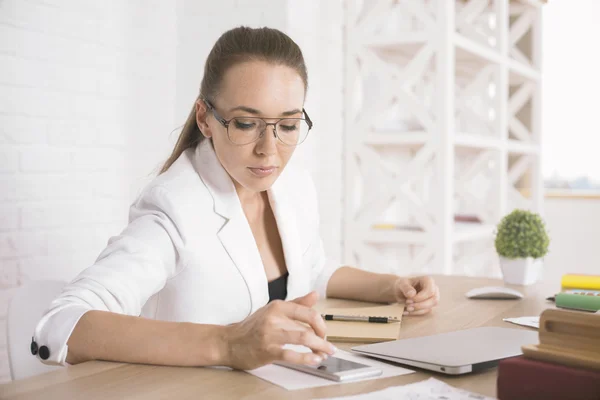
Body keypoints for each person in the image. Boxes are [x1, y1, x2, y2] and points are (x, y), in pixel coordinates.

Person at [32, 26, 439, 371]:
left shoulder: (293, 185)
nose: (269, 148)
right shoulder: (174, 207)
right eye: (246, 123)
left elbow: (310, 269)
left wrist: (391, 286)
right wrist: (229, 343)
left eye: (288, 124)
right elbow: (60, 326)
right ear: (205, 118)